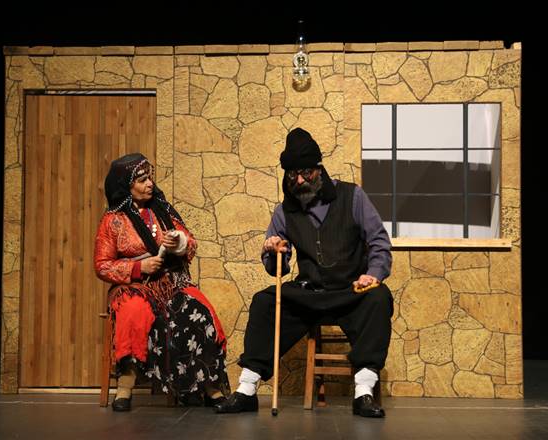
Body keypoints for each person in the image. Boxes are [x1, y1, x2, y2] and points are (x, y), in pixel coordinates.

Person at [214, 128, 393, 418]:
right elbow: (278, 268)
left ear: (319, 169)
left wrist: (372, 274)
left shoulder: (353, 196)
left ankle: (363, 392)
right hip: (310, 292)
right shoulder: (284, 211)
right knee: (264, 301)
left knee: (379, 297)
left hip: (351, 291)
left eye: (306, 172)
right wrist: (273, 251)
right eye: (292, 174)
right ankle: (246, 389)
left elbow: (379, 242)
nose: (299, 180)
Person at [94, 153, 230, 411]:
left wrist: (178, 242)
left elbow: (190, 243)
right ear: (127, 186)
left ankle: (210, 387)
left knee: (198, 311)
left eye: (150, 178)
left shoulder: (163, 210)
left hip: (171, 282)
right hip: (134, 287)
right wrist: (138, 267)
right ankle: (124, 388)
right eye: (142, 180)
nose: (150, 184)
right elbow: (102, 265)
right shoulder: (113, 221)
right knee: (133, 312)